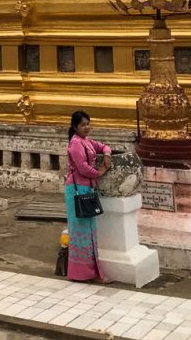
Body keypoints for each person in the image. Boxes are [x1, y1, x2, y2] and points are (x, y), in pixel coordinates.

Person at [65, 110, 112, 282]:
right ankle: (81, 273)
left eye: (88, 124)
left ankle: (91, 272)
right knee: (80, 232)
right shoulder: (75, 143)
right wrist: (101, 171)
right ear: (75, 127)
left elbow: (104, 146)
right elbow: (83, 168)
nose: (87, 127)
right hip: (76, 190)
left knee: (90, 232)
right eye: (83, 125)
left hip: (87, 190)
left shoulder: (86, 141)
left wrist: (106, 154)